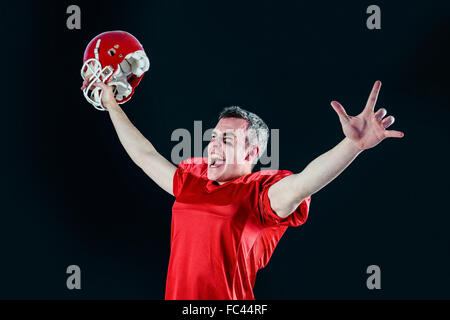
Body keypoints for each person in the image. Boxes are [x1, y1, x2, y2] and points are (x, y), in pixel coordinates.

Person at [81, 79, 404, 299]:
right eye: (213, 137)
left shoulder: (261, 194)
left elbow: (306, 181)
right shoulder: (193, 181)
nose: (213, 146)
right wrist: (111, 104)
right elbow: (144, 156)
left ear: (251, 154)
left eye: (227, 140)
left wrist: (352, 145)